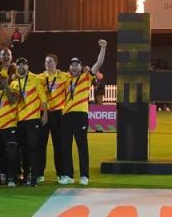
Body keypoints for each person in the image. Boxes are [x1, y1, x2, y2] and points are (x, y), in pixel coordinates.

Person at [58, 39, 106, 186]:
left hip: (80, 115)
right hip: (66, 115)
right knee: (65, 146)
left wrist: (103, 48)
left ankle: (84, 175)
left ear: (80, 66)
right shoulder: (65, 78)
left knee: (82, 146)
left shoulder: (86, 76)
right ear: (69, 67)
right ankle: (68, 175)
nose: (74, 67)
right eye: (72, 65)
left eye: (76, 65)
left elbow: (98, 64)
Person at [11, 57, 47, 186]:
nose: (21, 67)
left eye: (24, 65)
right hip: (19, 120)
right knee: (23, 150)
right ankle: (25, 176)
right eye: (19, 65)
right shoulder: (13, 83)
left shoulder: (35, 79)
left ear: (27, 67)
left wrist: (45, 113)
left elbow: (43, 97)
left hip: (33, 119)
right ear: (16, 67)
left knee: (33, 148)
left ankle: (34, 177)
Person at [40, 54, 68, 183]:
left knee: (59, 145)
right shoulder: (39, 77)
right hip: (44, 113)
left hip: (58, 114)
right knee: (41, 145)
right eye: (46, 62)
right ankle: (39, 173)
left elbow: (75, 78)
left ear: (56, 63)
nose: (47, 64)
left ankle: (61, 173)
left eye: (50, 61)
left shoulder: (64, 76)